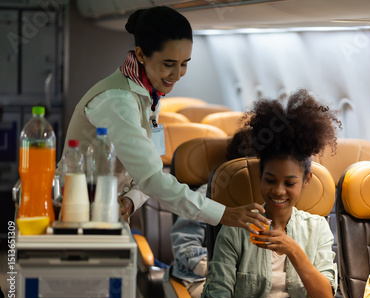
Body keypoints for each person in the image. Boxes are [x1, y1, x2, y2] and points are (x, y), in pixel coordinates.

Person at [58, 6, 269, 232]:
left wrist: (130, 199)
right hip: (77, 215)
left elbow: (150, 168)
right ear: (140, 54)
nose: (177, 75)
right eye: (169, 64)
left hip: (108, 211)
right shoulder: (117, 102)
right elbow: (152, 178)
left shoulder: (148, 93)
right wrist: (224, 213)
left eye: (185, 63)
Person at [201, 89, 342, 298]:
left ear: (306, 180)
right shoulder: (235, 228)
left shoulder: (317, 227)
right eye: (270, 180)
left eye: (289, 183)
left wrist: (293, 250)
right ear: (259, 176)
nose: (278, 191)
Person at [165, 127, 255, 298]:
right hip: (200, 278)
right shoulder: (208, 194)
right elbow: (185, 246)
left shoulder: (271, 201)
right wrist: (222, 270)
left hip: (248, 282)